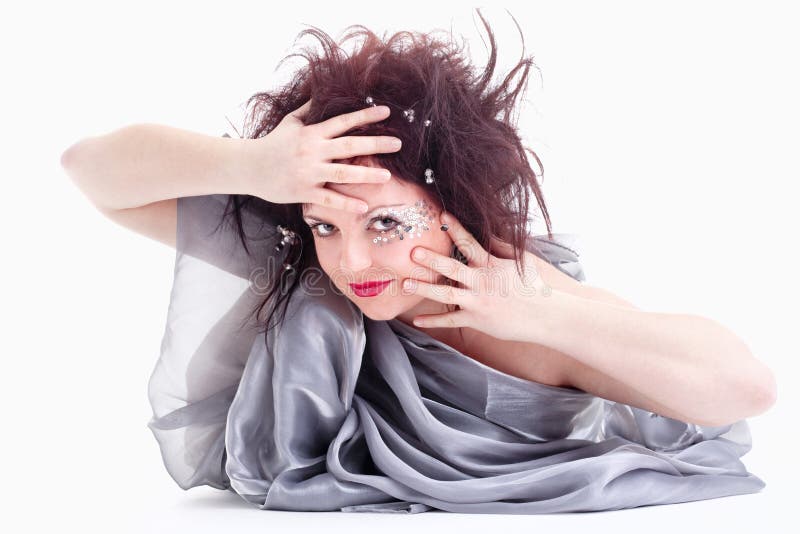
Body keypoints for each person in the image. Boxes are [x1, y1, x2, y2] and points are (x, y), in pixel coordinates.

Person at [61, 10, 773, 514]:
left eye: (387, 222)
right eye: (324, 225)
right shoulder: (305, 259)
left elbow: (748, 388)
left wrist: (543, 314)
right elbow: (88, 170)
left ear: (454, 205)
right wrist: (252, 166)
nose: (353, 259)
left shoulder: (522, 295)